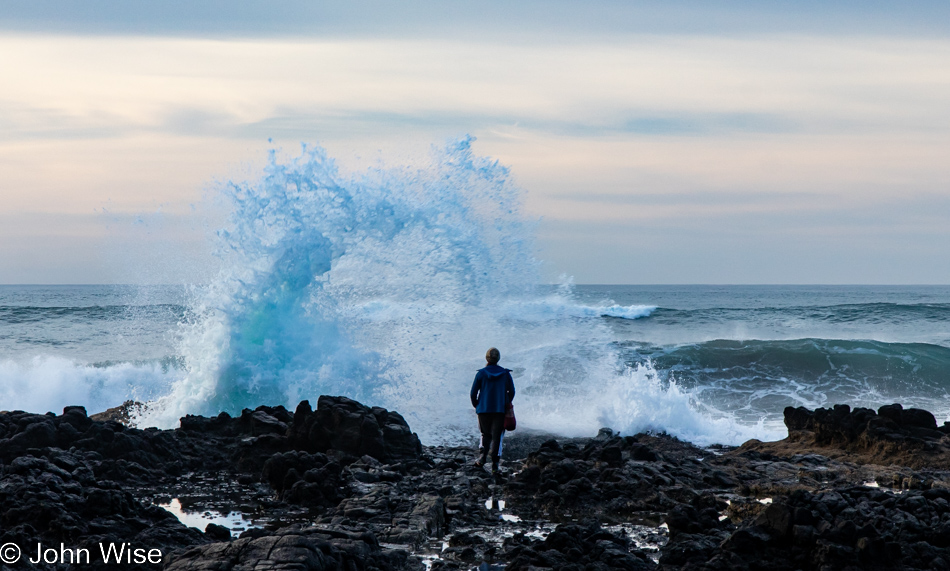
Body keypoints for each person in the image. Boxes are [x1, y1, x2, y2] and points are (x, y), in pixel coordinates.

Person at [470, 347, 515, 473]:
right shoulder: (505, 374)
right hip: (500, 410)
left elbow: (473, 393)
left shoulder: (481, 373)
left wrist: (477, 405)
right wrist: (506, 403)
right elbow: (512, 392)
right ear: (498, 359)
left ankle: (482, 458)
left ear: (487, 358)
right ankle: (495, 465)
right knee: (497, 437)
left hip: (483, 410)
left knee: (485, 434)